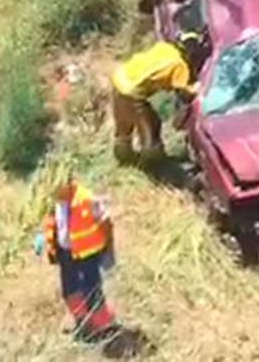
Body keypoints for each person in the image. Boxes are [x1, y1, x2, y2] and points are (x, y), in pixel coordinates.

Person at [35, 167, 119, 344]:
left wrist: (108, 250)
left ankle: (104, 327)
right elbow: (52, 221)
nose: (53, 193)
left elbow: (106, 223)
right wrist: (45, 239)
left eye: (57, 188)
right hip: (66, 254)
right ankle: (84, 323)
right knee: (70, 291)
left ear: (68, 184)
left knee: (92, 291)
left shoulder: (86, 199)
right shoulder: (55, 199)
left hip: (87, 255)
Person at [110, 32, 205, 165]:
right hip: (132, 91)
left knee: (124, 124)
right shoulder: (179, 65)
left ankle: (124, 158)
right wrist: (197, 88)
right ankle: (154, 163)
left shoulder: (164, 47)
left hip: (119, 78)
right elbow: (184, 94)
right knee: (151, 126)